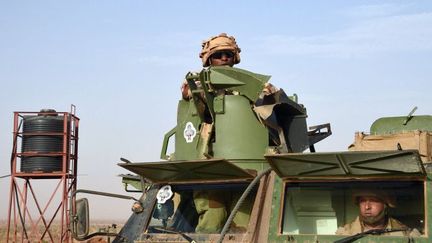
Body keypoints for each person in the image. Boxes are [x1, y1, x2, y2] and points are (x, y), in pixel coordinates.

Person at [335, 189, 420, 237]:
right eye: (363, 201)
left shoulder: (405, 233)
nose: (367, 207)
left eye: (373, 201)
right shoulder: (344, 232)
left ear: (385, 205)